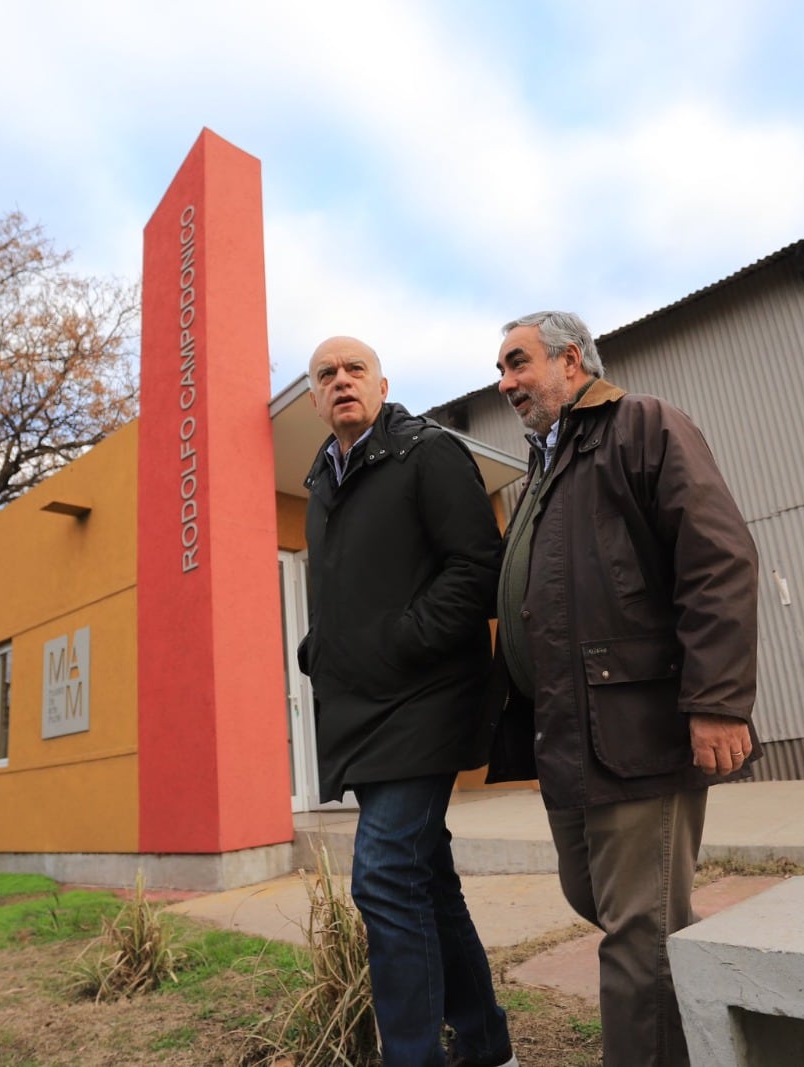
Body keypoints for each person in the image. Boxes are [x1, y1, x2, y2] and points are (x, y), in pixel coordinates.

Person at [488, 310, 760, 1067]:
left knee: (639, 933)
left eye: (518, 363)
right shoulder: (546, 465)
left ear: (571, 361)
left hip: (635, 727)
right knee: (606, 903)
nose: (505, 382)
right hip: (569, 735)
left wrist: (718, 700)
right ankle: (731, 1019)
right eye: (502, 369)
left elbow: (719, 556)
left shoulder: (640, 425)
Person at [298, 335, 517, 1067]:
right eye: (326, 374)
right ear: (314, 397)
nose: (341, 381)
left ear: (382, 382)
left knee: (385, 874)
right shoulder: (322, 484)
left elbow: (478, 567)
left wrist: (402, 638)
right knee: (427, 879)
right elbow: (336, 595)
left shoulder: (424, 452)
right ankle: (488, 1047)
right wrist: (317, 649)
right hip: (362, 710)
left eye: (354, 368)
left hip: (427, 698)